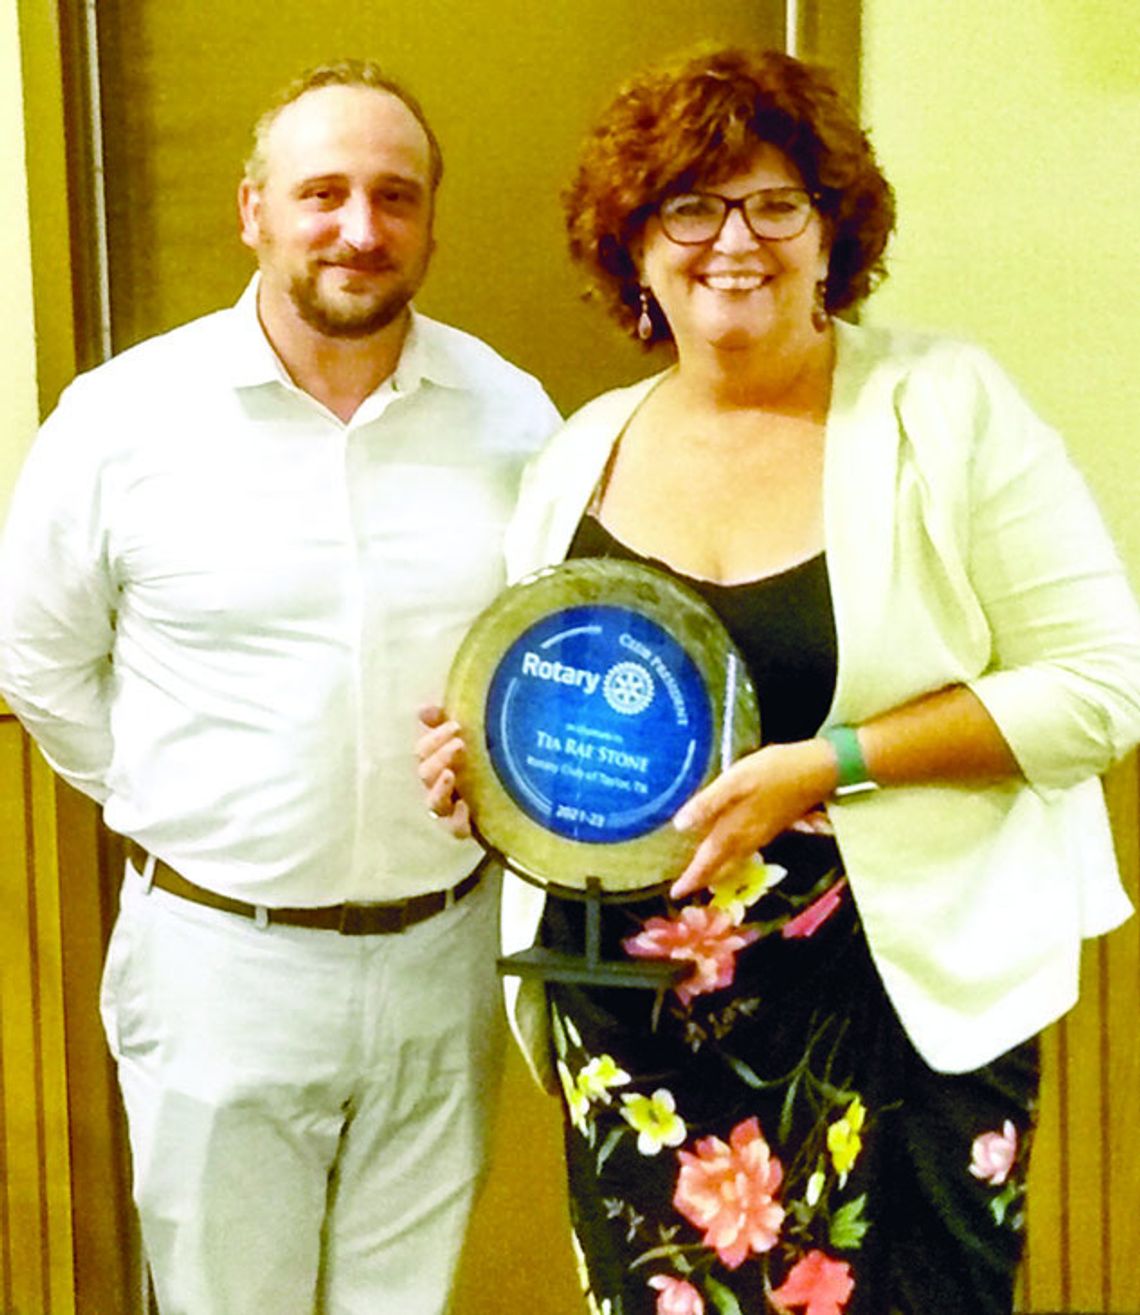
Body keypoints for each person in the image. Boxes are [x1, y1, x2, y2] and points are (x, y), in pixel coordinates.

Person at [417, 46, 1140, 1315]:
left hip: (894, 1020)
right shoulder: (582, 451)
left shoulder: (943, 409)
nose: (731, 240)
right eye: (688, 207)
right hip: (637, 1044)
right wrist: (484, 769)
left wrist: (833, 762)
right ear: (634, 249)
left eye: (774, 202)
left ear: (831, 233)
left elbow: (1101, 689)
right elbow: (551, 710)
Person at [0, 59, 559, 1315]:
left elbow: (545, 655)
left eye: (394, 196)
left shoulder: (513, 416)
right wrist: (183, 803)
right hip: (218, 962)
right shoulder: (120, 422)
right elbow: (40, 662)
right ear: (254, 210)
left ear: (429, 219)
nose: (360, 230)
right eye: (323, 193)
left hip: (443, 951)